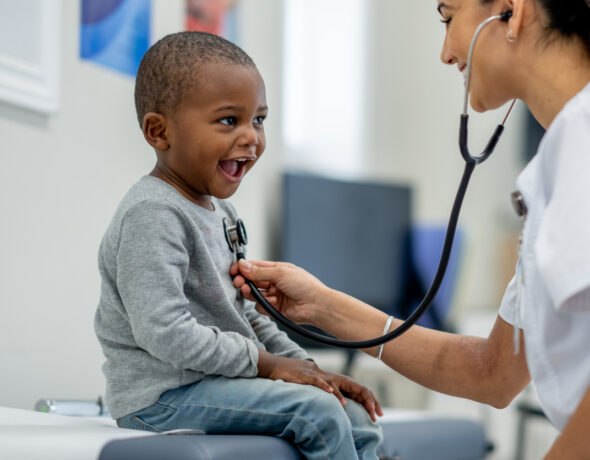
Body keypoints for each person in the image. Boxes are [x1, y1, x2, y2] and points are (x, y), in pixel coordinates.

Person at [232, 0, 590, 458]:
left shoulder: (580, 140)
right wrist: (322, 305)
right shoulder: (560, 156)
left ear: (509, 10)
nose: (445, 52)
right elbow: (493, 372)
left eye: (448, 17)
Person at [94, 31, 383, 460]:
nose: (252, 137)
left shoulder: (222, 215)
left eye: (259, 120)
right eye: (230, 120)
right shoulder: (152, 214)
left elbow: (249, 315)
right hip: (160, 399)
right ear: (159, 131)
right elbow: (165, 333)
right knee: (317, 413)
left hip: (216, 382)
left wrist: (312, 372)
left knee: (351, 412)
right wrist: (269, 366)